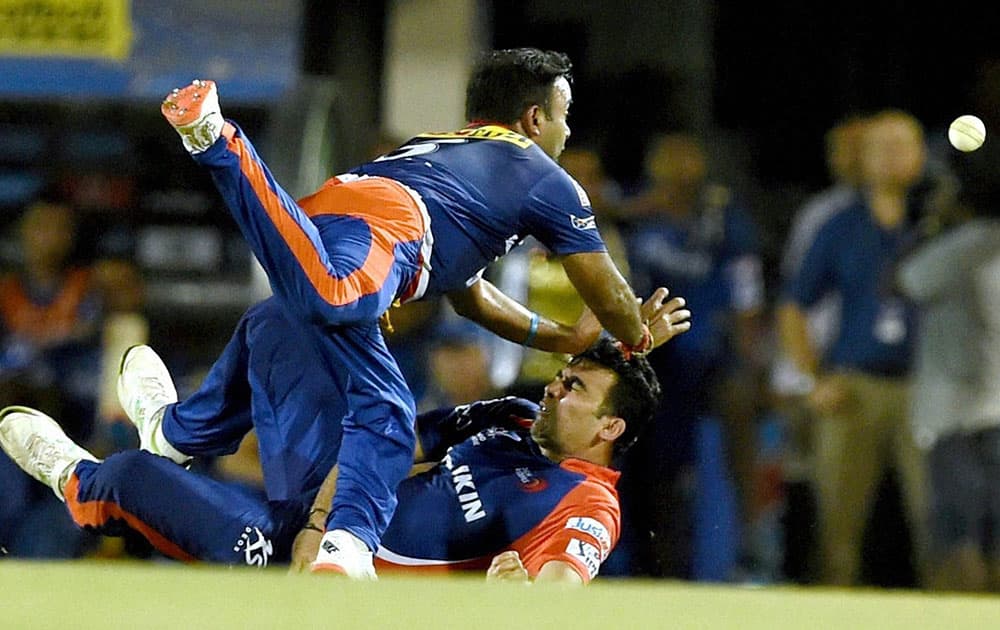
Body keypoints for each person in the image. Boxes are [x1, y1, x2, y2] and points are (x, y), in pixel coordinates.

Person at [114, 49, 654, 579]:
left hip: (329, 213)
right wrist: (638, 332)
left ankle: (177, 434)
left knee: (283, 322)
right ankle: (219, 142)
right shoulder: (543, 176)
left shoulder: (461, 167)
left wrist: (560, 339)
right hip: (387, 227)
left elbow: (471, 297)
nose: (565, 134)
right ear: (535, 119)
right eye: (563, 118)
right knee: (351, 329)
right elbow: (608, 294)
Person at [0, 294, 689, 585]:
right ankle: (177, 431)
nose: (553, 387)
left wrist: (525, 597)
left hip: (338, 591)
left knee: (126, 478)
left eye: (574, 389)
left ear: (610, 428)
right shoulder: (509, 417)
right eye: (562, 375)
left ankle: (73, 477)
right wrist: (326, 524)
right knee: (284, 318)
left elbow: (565, 582)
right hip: (323, 518)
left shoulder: (588, 505)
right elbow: (383, 443)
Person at [777, 109, 930, 587]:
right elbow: (793, 306)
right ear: (862, 159)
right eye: (880, 147)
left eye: (902, 146)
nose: (891, 157)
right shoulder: (839, 223)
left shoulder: (941, 221)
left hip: (927, 390)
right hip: (853, 387)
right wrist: (813, 378)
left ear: (923, 155)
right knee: (838, 529)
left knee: (938, 523)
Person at [612, 132, 767, 579]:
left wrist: (750, 360)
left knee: (715, 455)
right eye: (668, 158)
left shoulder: (723, 221)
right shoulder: (630, 214)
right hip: (645, 357)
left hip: (706, 357)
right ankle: (636, 562)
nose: (679, 168)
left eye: (688, 159)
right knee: (645, 465)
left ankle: (746, 552)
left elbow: (746, 295)